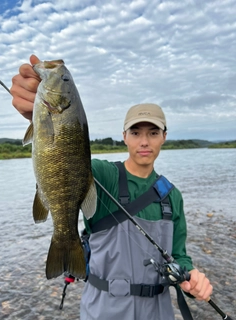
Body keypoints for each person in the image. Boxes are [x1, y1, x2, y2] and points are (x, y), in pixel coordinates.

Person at [11, 55, 213, 320]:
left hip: (158, 312)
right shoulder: (103, 176)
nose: (144, 141)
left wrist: (191, 279)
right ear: (124, 136)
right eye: (136, 132)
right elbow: (67, 160)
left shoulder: (171, 196)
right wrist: (38, 118)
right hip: (103, 311)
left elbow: (179, 256)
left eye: (153, 133)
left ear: (164, 137)